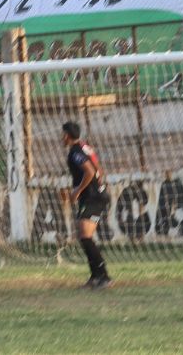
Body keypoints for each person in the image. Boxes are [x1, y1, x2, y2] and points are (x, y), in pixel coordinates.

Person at [62, 121, 112, 290]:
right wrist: (99, 184)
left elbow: (90, 171)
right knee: (84, 237)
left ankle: (103, 276)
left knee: (85, 236)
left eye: (63, 134)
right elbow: (98, 169)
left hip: (92, 197)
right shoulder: (85, 147)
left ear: (67, 135)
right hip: (96, 195)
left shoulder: (74, 152)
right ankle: (95, 277)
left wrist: (77, 191)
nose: (62, 137)